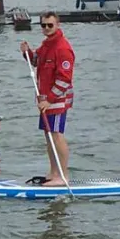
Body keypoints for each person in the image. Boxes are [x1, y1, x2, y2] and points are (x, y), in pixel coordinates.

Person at [20, 11, 75, 187]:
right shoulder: (46, 45)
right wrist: (27, 53)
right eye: (43, 25)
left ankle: (63, 175)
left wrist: (50, 100)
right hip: (44, 99)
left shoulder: (62, 48)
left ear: (57, 25)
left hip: (56, 100)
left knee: (57, 135)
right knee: (48, 135)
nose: (46, 28)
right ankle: (53, 172)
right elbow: (36, 60)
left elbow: (65, 79)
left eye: (50, 25)